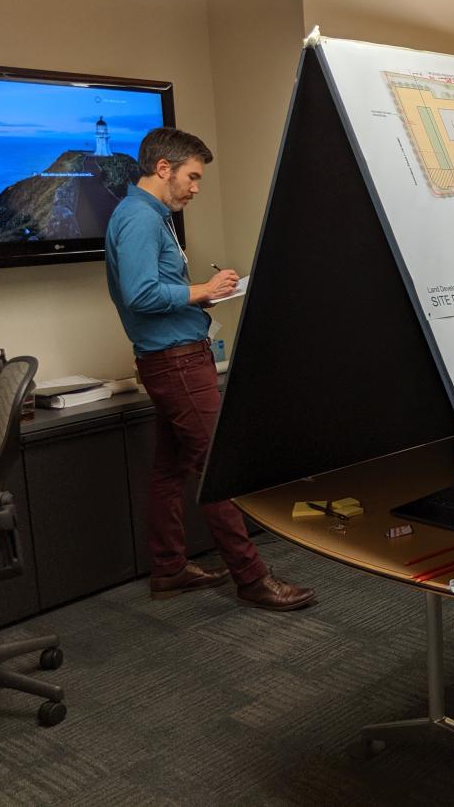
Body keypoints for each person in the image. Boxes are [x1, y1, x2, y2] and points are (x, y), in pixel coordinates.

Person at [105, 127, 314, 611]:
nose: (196, 187)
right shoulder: (139, 219)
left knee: (169, 469)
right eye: (192, 177)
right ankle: (252, 578)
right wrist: (204, 290)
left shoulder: (145, 215)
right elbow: (140, 295)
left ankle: (170, 569)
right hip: (176, 363)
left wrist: (205, 292)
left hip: (171, 358)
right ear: (164, 169)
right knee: (217, 470)